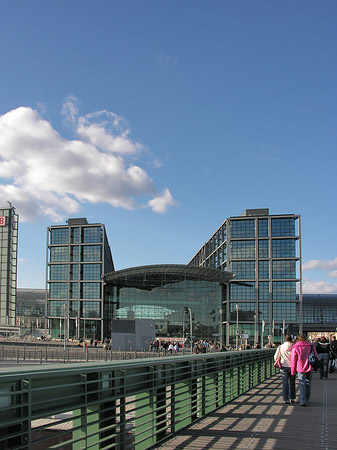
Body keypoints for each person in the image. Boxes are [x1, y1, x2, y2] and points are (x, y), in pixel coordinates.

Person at [291, 334, 320, 407]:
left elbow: (293, 360)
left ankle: (302, 400)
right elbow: (316, 356)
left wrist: (293, 371)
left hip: (300, 367)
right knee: (308, 383)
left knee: (302, 383)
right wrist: (317, 366)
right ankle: (307, 398)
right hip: (310, 366)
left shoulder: (296, 347)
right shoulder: (311, 346)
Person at [274, 335, 296, 404]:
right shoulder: (294, 346)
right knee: (292, 382)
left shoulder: (281, 347)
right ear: (291, 339)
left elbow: (276, 357)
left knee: (285, 382)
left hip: (283, 365)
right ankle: (292, 397)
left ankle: (285, 398)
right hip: (292, 366)